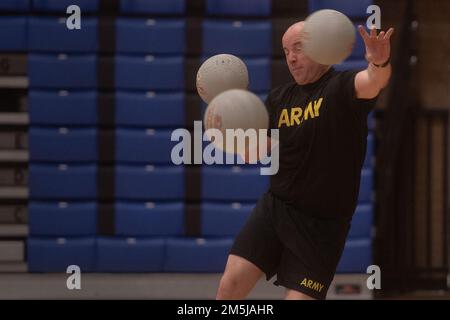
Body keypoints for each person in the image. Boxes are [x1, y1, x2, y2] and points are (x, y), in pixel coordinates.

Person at [215, 21, 394, 300]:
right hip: (276, 210)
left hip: (321, 228)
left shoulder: (340, 87)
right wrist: (229, 136)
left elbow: (372, 82)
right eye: (286, 51)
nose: (292, 58)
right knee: (230, 287)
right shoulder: (278, 99)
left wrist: (379, 63)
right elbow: (255, 151)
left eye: (298, 48)